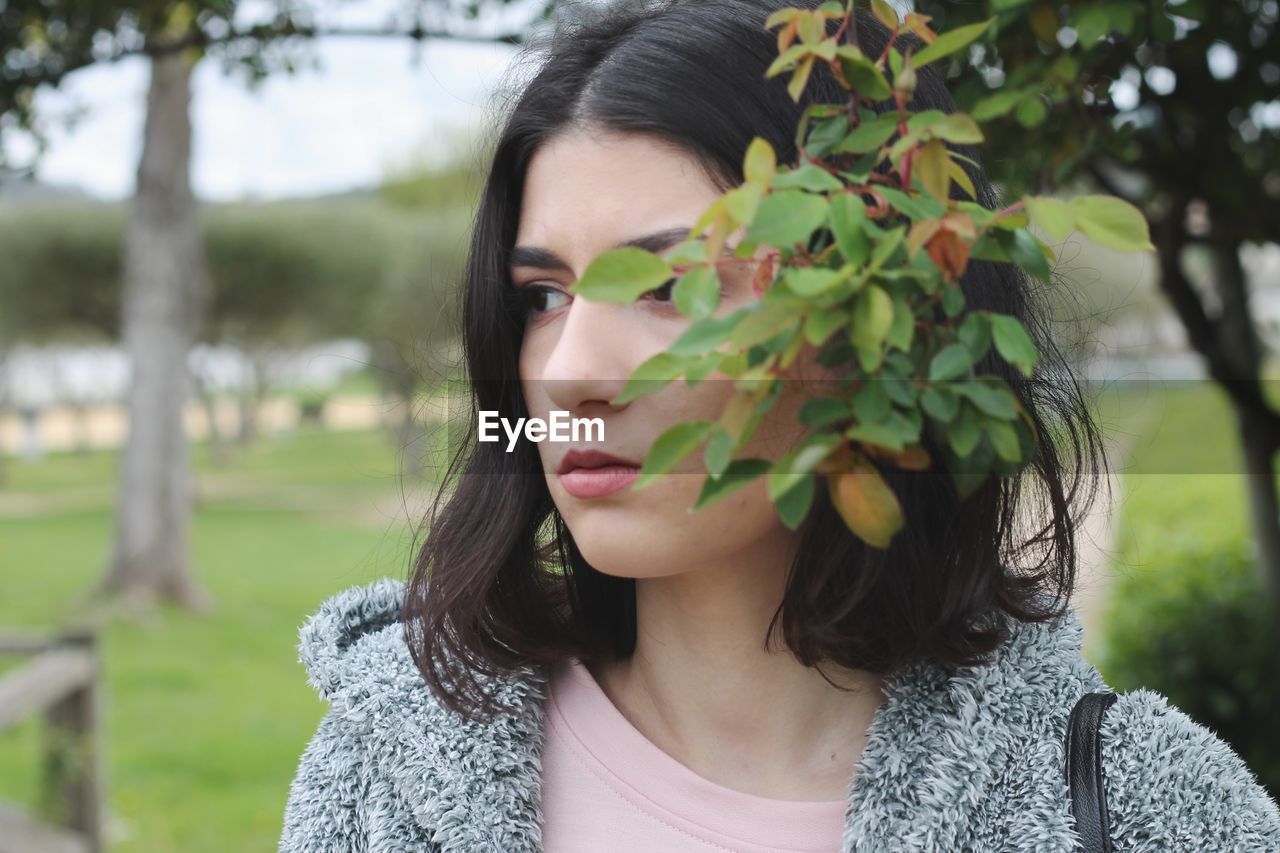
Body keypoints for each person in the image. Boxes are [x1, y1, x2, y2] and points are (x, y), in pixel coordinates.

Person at [278, 0, 1280, 850]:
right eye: (541, 296)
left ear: (882, 331)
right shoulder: (383, 778)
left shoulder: (1138, 804)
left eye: (670, 284)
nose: (571, 371)